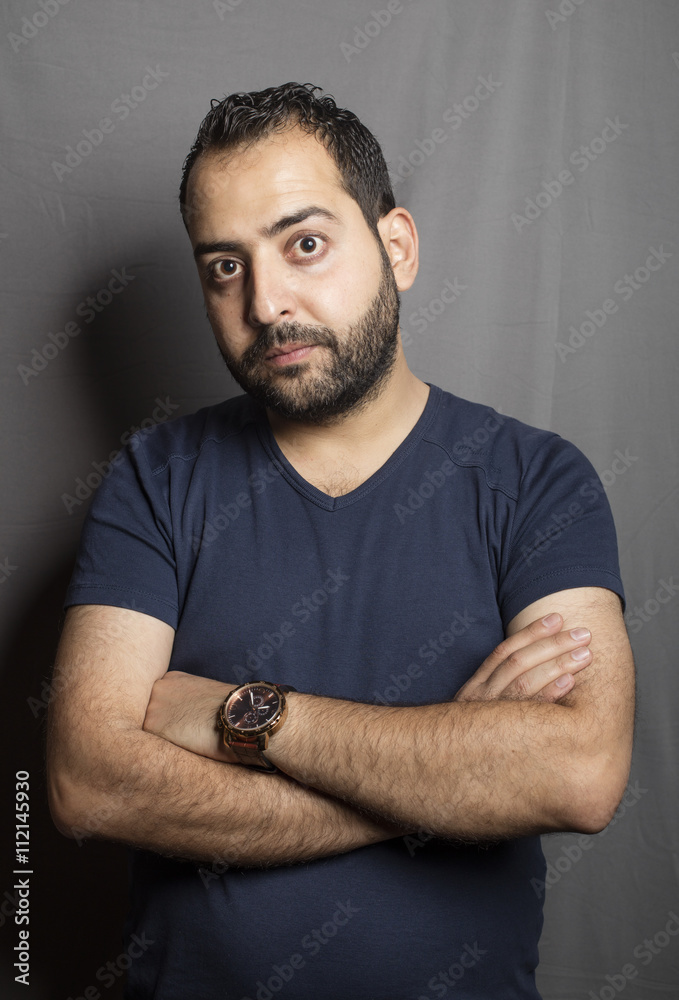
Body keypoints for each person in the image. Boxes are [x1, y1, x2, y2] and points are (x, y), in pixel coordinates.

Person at [46, 82, 635, 999]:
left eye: (305, 244)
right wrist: (449, 777)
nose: (266, 301)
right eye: (225, 266)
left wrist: (245, 715)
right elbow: (88, 782)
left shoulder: (535, 479)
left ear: (396, 247)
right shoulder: (154, 478)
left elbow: (579, 773)